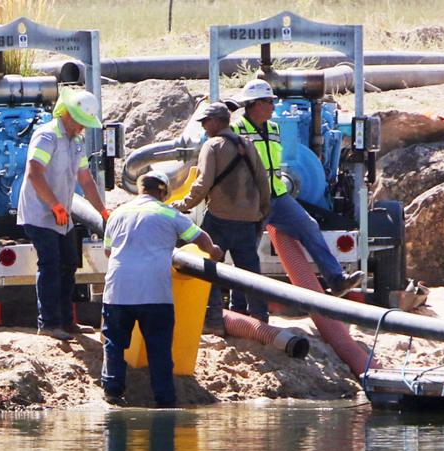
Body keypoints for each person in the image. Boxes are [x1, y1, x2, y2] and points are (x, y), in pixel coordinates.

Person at [101, 171, 223, 408]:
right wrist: (214, 252)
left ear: (140, 189)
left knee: (114, 342)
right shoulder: (169, 214)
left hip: (118, 290)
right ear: (162, 192)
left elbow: (108, 251)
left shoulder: (117, 214)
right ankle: (165, 398)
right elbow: (200, 239)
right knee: (158, 347)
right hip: (154, 293)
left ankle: (113, 390)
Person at [231, 79, 364, 297]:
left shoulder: (274, 128)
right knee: (247, 251)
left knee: (309, 226)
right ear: (254, 104)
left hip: (279, 196)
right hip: (252, 200)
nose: (273, 107)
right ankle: (241, 303)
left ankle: (336, 279)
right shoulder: (236, 131)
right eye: (268, 101)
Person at [16, 88, 110, 341]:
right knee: (51, 263)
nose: (82, 128)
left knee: (69, 262)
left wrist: (102, 210)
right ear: (67, 114)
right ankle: (48, 323)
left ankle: (67, 321)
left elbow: (85, 179)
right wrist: (55, 205)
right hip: (40, 213)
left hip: (62, 215)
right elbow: (34, 173)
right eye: (80, 122)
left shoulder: (75, 141)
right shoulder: (47, 136)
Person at [172, 101, 271, 334]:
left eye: (206, 122)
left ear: (217, 121)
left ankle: (214, 321)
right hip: (248, 219)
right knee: (250, 273)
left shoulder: (212, 146)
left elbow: (203, 183)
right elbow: (263, 182)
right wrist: (261, 214)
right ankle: (262, 322)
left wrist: (183, 204)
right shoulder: (247, 144)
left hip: (219, 218)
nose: (205, 127)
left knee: (210, 269)